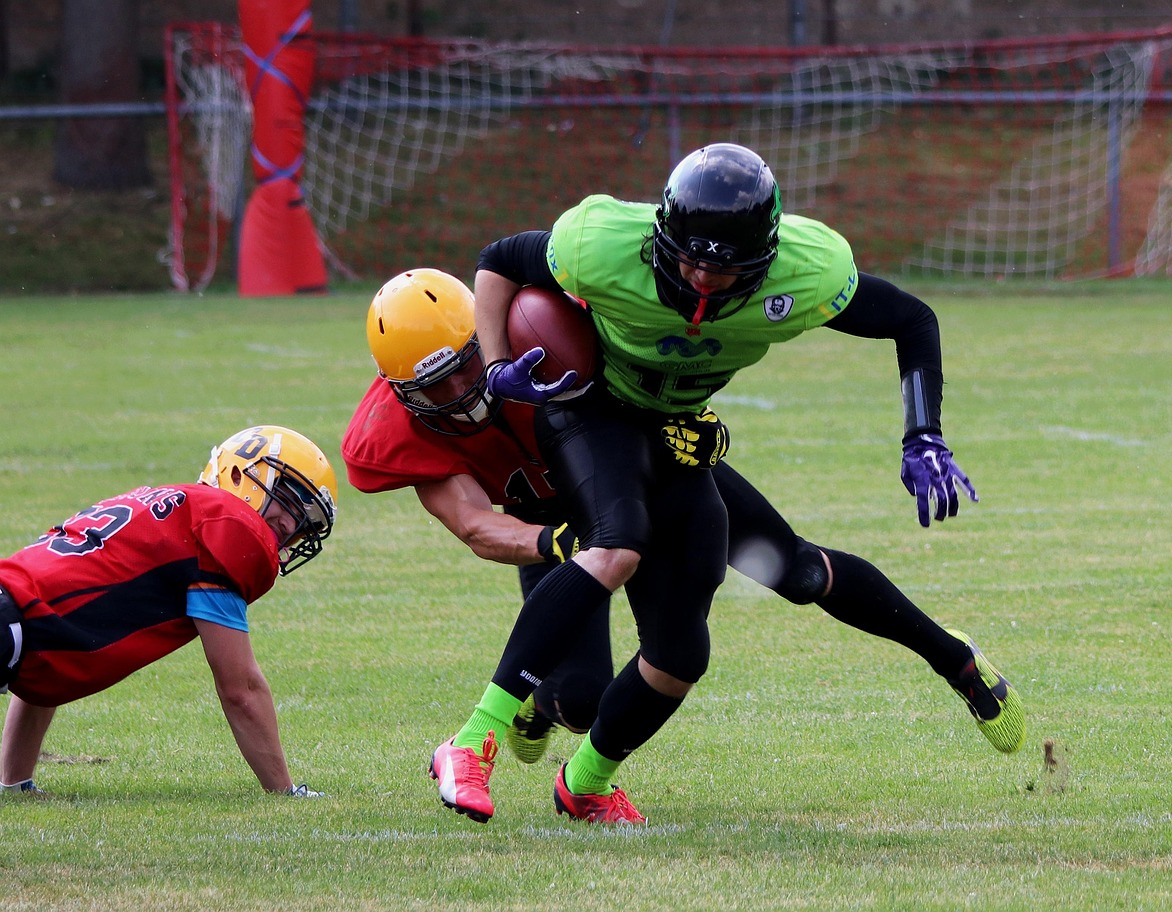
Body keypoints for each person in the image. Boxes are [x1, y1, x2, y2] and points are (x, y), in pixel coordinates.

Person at [345, 267, 1024, 825]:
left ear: (484, 338)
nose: (462, 395)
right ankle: (541, 712)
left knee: (796, 572)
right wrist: (558, 540)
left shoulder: (533, 336)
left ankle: (955, 659)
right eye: (434, 388)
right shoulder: (394, 431)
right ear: (399, 391)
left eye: (466, 369)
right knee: (580, 701)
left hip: (638, 466)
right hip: (559, 527)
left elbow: (650, 368)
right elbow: (473, 525)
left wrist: (690, 424)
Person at [0, 425, 338, 798]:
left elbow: (40, 662)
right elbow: (240, 688)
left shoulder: (173, 505)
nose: (291, 525)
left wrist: (15, 784)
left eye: (305, 522)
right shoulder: (228, 526)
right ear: (240, 474)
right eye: (289, 498)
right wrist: (284, 790)